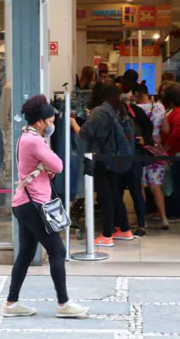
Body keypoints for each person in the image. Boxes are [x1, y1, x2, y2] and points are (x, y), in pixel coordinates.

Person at [3, 95, 90, 318]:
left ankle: (11, 303)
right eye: (50, 121)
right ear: (40, 121)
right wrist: (47, 153)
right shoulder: (34, 141)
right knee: (57, 251)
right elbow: (59, 165)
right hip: (34, 205)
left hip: (24, 203)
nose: (52, 125)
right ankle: (63, 304)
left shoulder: (26, 137)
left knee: (25, 254)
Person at [72, 83, 134, 247]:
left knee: (105, 196)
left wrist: (72, 121)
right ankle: (125, 229)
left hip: (101, 158)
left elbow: (83, 133)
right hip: (115, 158)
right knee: (114, 194)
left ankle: (107, 234)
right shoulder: (118, 110)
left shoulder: (100, 111)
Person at [119, 82, 154, 237]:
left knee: (135, 191)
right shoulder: (111, 112)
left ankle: (141, 223)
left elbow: (148, 126)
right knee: (118, 191)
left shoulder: (135, 111)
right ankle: (121, 224)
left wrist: (144, 140)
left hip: (133, 155)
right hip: (118, 156)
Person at [134, 83, 169, 233]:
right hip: (156, 149)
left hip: (141, 150)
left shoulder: (136, 110)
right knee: (156, 186)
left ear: (137, 95)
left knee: (141, 185)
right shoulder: (160, 107)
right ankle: (164, 218)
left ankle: (142, 220)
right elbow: (166, 129)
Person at [161, 84, 180, 223]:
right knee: (170, 182)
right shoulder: (173, 110)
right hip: (171, 151)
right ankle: (170, 211)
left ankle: (177, 212)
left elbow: (176, 134)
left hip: (175, 152)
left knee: (175, 182)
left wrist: (165, 148)